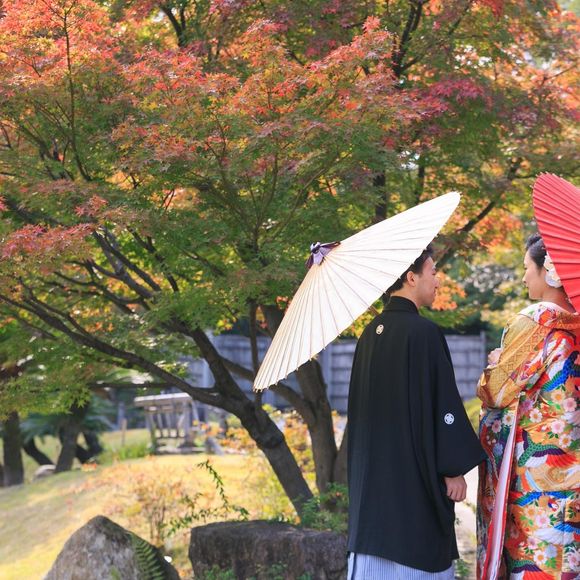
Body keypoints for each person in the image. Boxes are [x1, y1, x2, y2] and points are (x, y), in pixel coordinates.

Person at [347, 245, 485, 579]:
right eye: (433, 272)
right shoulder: (424, 333)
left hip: (373, 484)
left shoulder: (368, 335)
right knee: (416, 551)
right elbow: (443, 406)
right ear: (411, 277)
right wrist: (453, 468)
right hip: (411, 481)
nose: (437, 281)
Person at [476, 233, 580, 580]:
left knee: (533, 560)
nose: (523, 277)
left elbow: (495, 392)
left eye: (526, 268)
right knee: (567, 562)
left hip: (537, 476)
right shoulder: (576, 323)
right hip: (574, 469)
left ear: (549, 271)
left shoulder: (536, 320)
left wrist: (495, 364)